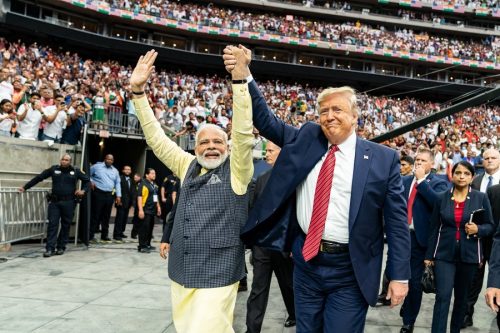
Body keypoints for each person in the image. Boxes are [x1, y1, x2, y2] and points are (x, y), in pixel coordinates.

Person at [224, 45, 410, 333]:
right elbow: (266, 121)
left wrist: (399, 276)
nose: (329, 116)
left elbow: (397, 224)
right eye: (323, 111)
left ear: (355, 117)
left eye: (337, 109)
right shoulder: (307, 139)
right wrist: (245, 75)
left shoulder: (383, 160)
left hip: (351, 268)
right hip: (306, 263)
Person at [131, 50, 253, 333]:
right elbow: (156, 138)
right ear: (195, 148)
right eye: (204, 142)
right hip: (181, 268)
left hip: (219, 270)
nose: (211, 146)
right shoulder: (187, 165)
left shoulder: (237, 170)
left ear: (228, 146)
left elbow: (244, 134)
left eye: (218, 142)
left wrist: (240, 82)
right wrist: (138, 93)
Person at [424, 161, 495, 333]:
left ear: (472, 177)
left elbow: (490, 226)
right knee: (442, 297)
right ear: (452, 175)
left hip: (469, 256)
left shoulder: (480, 197)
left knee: (461, 299)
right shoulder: (442, 197)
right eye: (458, 173)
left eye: (466, 174)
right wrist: (428, 256)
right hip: (444, 255)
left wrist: (478, 229)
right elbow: (434, 227)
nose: (461, 176)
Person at [246, 141, 296, 333]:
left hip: (283, 245)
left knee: (288, 285)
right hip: (262, 246)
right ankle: (252, 329)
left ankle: (294, 314)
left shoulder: (295, 180)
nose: (267, 154)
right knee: (258, 289)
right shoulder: (261, 179)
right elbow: (254, 211)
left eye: (271, 151)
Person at [399, 148, 449, 333]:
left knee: (414, 282)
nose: (418, 163)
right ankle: (407, 303)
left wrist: (421, 181)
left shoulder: (439, 183)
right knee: (395, 275)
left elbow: (438, 203)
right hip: (400, 237)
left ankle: (408, 321)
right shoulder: (403, 181)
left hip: (420, 240)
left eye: (422, 160)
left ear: (431, 164)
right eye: (417, 160)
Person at [19, 154, 89, 257]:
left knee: (66, 225)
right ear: (60, 160)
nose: (64, 161)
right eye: (63, 159)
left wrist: (83, 190)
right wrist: (25, 187)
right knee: (52, 225)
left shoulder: (76, 171)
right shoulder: (53, 169)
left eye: (66, 160)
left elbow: (87, 181)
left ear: (70, 161)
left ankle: (61, 247)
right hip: (55, 202)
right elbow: (39, 178)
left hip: (69, 202)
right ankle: (49, 249)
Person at [463, 148, 500, 327]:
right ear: (482, 161)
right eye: (486, 158)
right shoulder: (475, 181)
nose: (490, 160)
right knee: (473, 277)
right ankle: (466, 313)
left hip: (498, 238)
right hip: (478, 236)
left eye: (494, 157)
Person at [89, 154, 121, 242]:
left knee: (106, 216)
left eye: (111, 160)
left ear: (113, 161)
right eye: (108, 159)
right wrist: (91, 181)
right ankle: (90, 235)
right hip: (98, 193)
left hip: (109, 195)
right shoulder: (96, 166)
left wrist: (118, 196)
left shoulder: (115, 171)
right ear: (105, 159)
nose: (109, 161)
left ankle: (104, 235)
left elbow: (117, 183)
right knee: (95, 215)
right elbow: (88, 174)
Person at [136, 168, 161, 253]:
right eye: (152, 173)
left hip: (152, 210)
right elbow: (139, 197)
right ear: (147, 175)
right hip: (145, 210)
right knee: (144, 229)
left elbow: (155, 196)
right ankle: (142, 246)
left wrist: (158, 207)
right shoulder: (143, 184)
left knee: (150, 229)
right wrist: (140, 210)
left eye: (155, 173)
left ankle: (148, 244)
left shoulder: (154, 184)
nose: (154, 175)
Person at [112, 165, 137, 241]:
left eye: (129, 169)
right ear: (123, 171)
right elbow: (115, 189)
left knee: (124, 218)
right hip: (121, 202)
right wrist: (117, 199)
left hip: (128, 203)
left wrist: (133, 202)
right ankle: (116, 234)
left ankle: (121, 232)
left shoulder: (132, 180)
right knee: (119, 218)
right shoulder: (119, 178)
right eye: (126, 169)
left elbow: (132, 191)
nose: (127, 171)